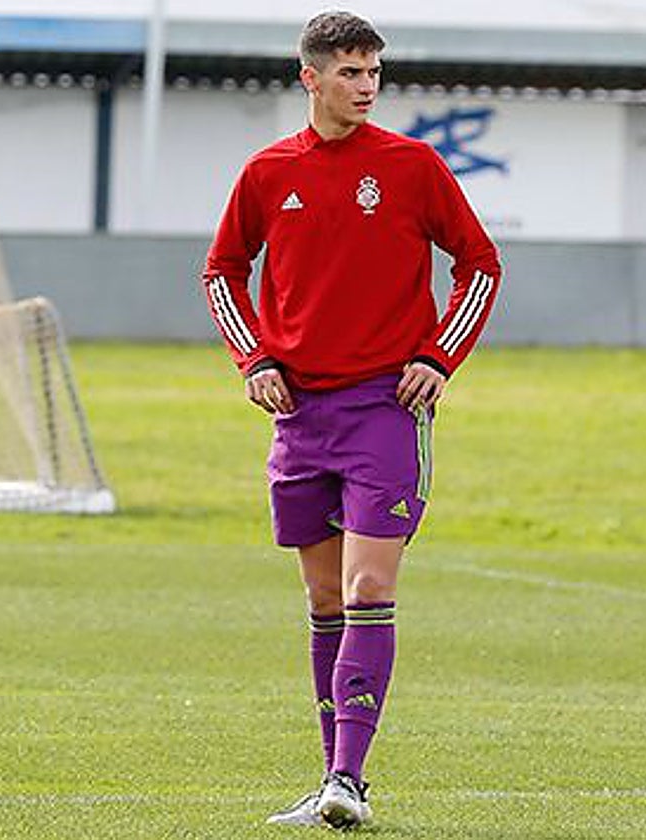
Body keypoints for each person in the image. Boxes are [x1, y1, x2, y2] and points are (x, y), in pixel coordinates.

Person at [201, 9, 502, 831]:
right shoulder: (268, 173)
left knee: (372, 585)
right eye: (349, 73)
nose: (366, 87)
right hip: (300, 416)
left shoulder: (412, 167)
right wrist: (255, 360)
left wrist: (438, 357)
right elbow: (223, 271)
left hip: (384, 410)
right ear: (311, 77)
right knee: (325, 595)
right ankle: (330, 776)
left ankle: (348, 779)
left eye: (373, 72)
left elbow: (478, 262)